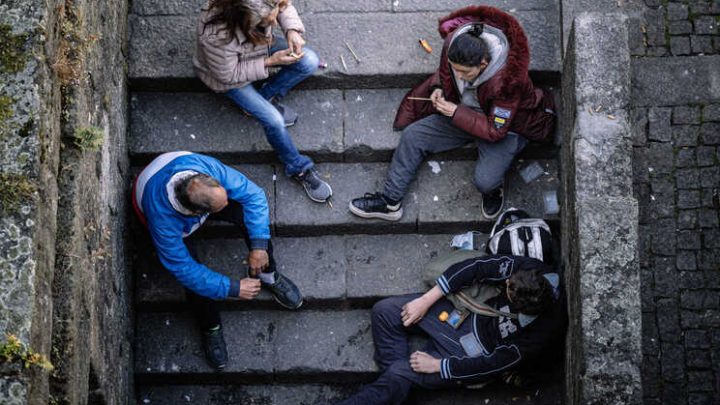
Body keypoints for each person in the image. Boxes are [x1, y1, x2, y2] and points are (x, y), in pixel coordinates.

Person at [349, 6, 556, 221]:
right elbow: (444, 73)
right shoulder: (453, 45)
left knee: (485, 181)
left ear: (483, 63)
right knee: (413, 136)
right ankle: (390, 202)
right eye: (455, 69)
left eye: (465, 73)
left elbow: (496, 130)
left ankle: (495, 188)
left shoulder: (507, 83)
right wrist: (438, 87)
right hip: (464, 113)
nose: (459, 76)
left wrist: (456, 112)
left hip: (506, 127)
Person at [132, 151, 303, 370]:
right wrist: (232, 288)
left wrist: (259, 246)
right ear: (197, 214)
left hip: (191, 197)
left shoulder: (206, 168)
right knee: (194, 283)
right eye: (219, 208)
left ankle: (268, 275)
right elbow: (183, 268)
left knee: (248, 217)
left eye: (223, 197)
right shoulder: (163, 221)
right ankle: (210, 326)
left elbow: (253, 195)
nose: (226, 204)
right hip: (165, 221)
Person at [336, 254, 564, 405]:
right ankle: (397, 388)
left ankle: (394, 384)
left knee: (397, 373)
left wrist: (438, 366)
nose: (504, 288)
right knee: (384, 311)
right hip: (468, 316)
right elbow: (477, 267)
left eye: (509, 293)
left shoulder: (540, 335)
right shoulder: (531, 270)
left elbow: (491, 366)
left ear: (521, 307)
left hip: (470, 354)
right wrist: (425, 301)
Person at [194, 0, 332, 203]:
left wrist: (292, 30)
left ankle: (262, 98)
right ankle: (297, 168)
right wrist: (271, 61)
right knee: (274, 120)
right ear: (245, 19)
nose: (275, 23)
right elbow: (229, 75)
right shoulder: (215, 36)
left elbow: (284, 6)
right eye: (269, 20)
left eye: (274, 15)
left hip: (257, 46)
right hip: (231, 78)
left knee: (309, 60)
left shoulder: (264, 10)